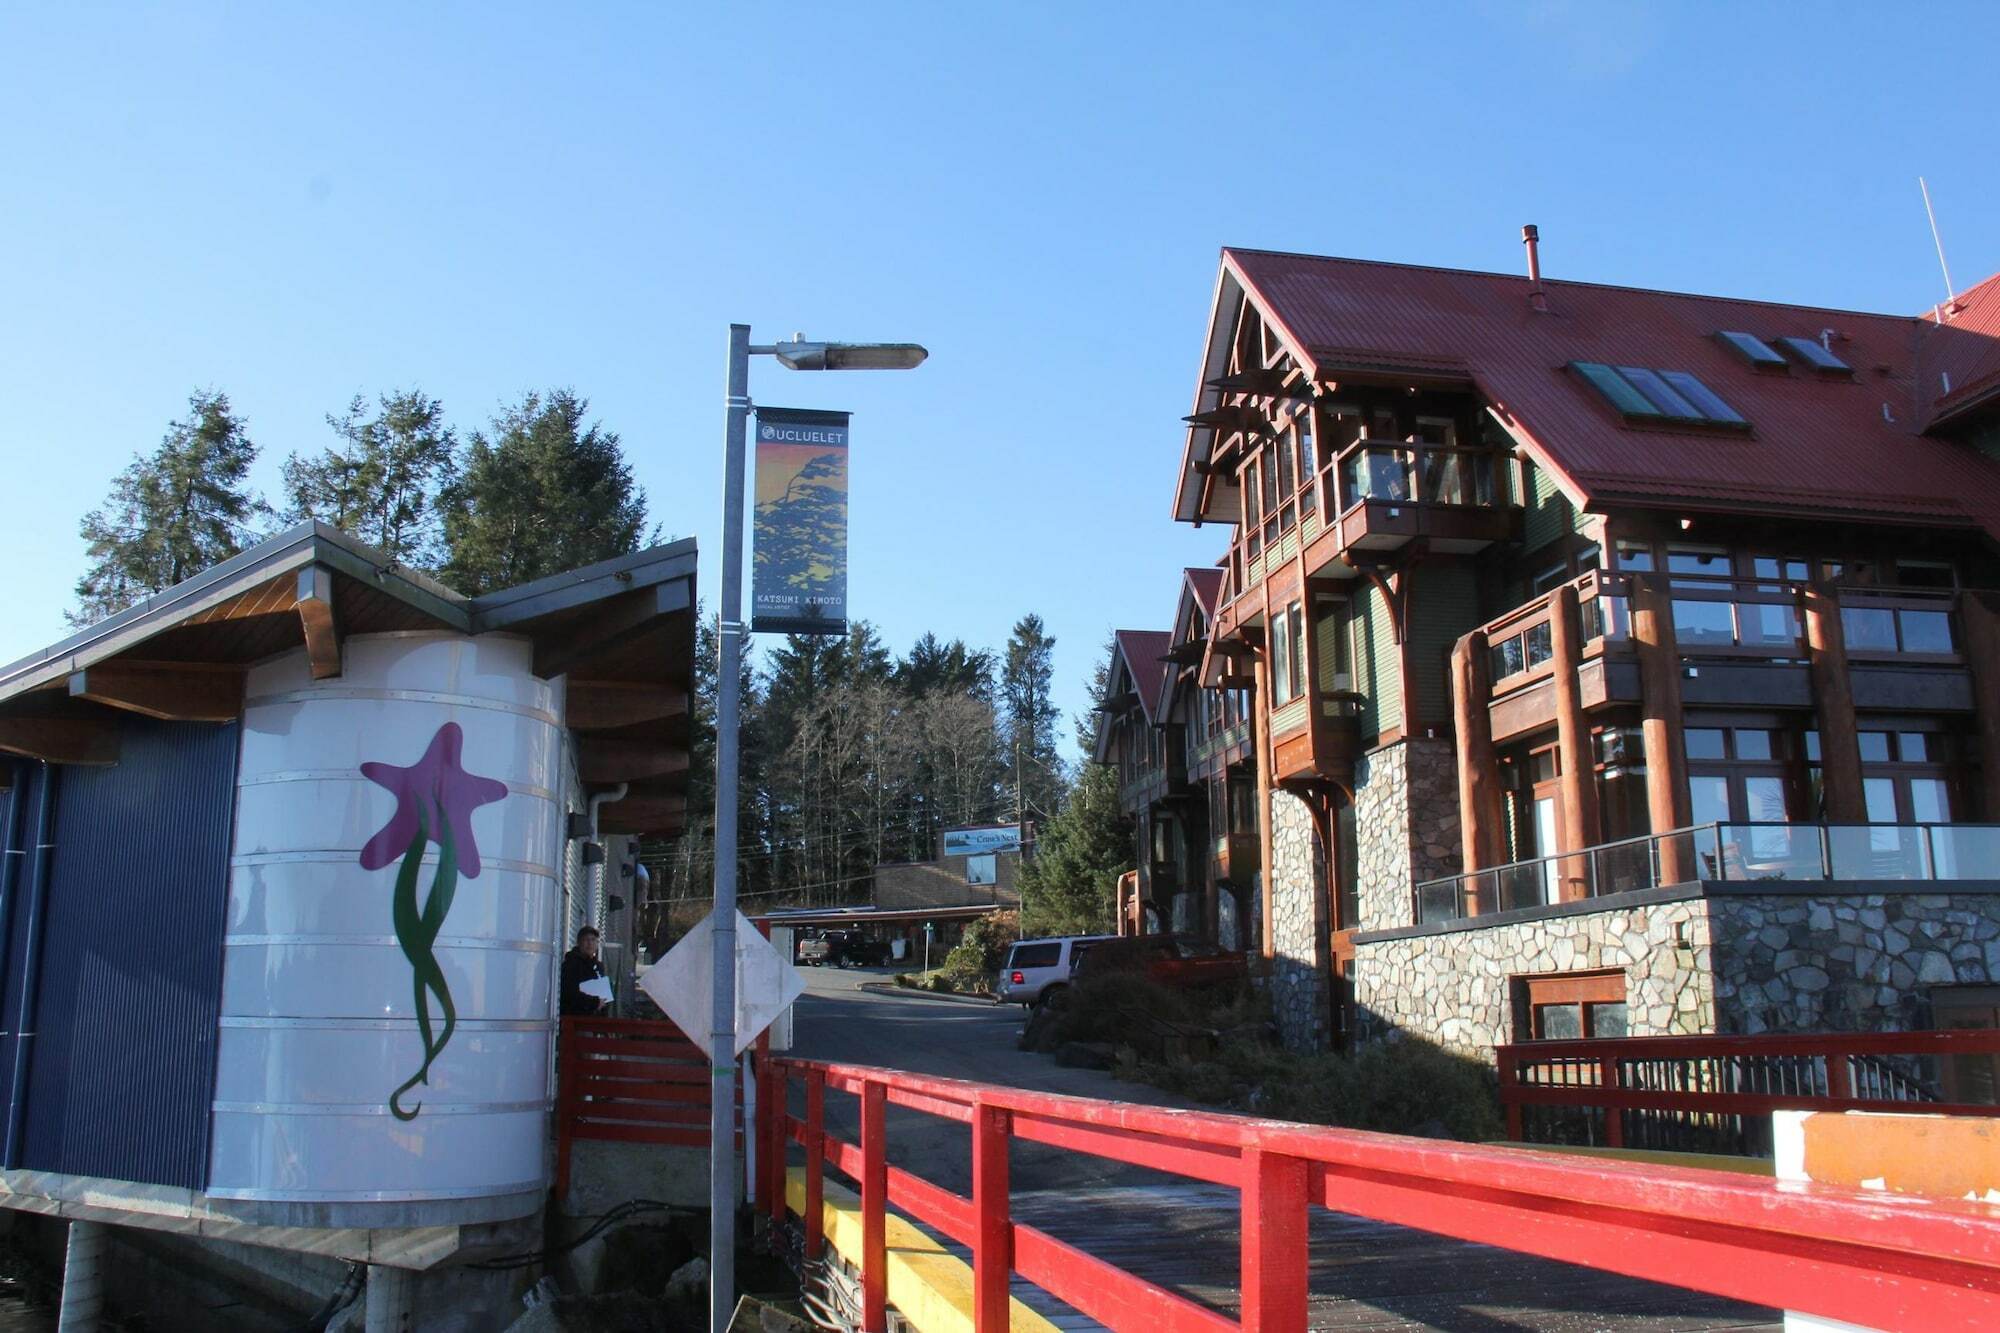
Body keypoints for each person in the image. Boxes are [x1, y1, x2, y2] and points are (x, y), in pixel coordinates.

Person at [560, 925, 609, 1017]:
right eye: (586, 940)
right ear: (579, 943)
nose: (590, 943)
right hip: (576, 1020)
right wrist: (594, 1003)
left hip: (596, 1020)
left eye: (593, 940)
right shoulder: (571, 964)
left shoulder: (598, 966)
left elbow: (605, 997)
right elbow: (570, 994)